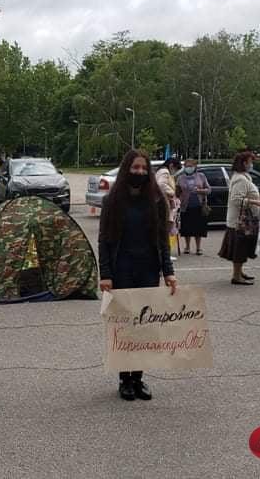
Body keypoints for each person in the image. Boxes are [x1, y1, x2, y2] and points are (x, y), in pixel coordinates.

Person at [98, 149, 178, 401]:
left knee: (144, 327)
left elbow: (163, 240)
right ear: (126, 170)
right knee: (125, 327)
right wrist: (105, 274)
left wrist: (168, 272)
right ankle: (124, 380)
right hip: (121, 270)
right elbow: (104, 240)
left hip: (147, 270)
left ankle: (139, 378)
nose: (140, 172)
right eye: (135, 168)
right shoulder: (112, 200)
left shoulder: (156, 200)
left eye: (144, 168)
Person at [218, 151, 260, 285]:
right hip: (239, 222)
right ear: (244, 163)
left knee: (243, 248)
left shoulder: (243, 177)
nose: (252, 165)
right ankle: (236, 276)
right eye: (251, 162)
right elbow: (236, 200)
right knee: (239, 249)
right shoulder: (240, 179)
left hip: (242, 221)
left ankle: (240, 272)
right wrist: (255, 202)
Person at [176, 159, 211, 255]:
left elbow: (209, 190)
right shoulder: (180, 178)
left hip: (199, 205)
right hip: (185, 206)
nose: (189, 168)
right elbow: (177, 191)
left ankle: (198, 248)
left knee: (198, 228)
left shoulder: (201, 176)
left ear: (195, 167)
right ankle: (187, 247)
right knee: (187, 228)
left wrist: (200, 191)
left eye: (191, 166)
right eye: (187, 166)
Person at [156, 158, 182, 260]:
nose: (175, 171)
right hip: (164, 205)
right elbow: (161, 184)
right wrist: (172, 192)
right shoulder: (164, 172)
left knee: (164, 231)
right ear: (171, 165)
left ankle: (164, 253)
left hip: (165, 204)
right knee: (164, 231)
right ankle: (164, 254)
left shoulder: (162, 171)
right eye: (176, 168)